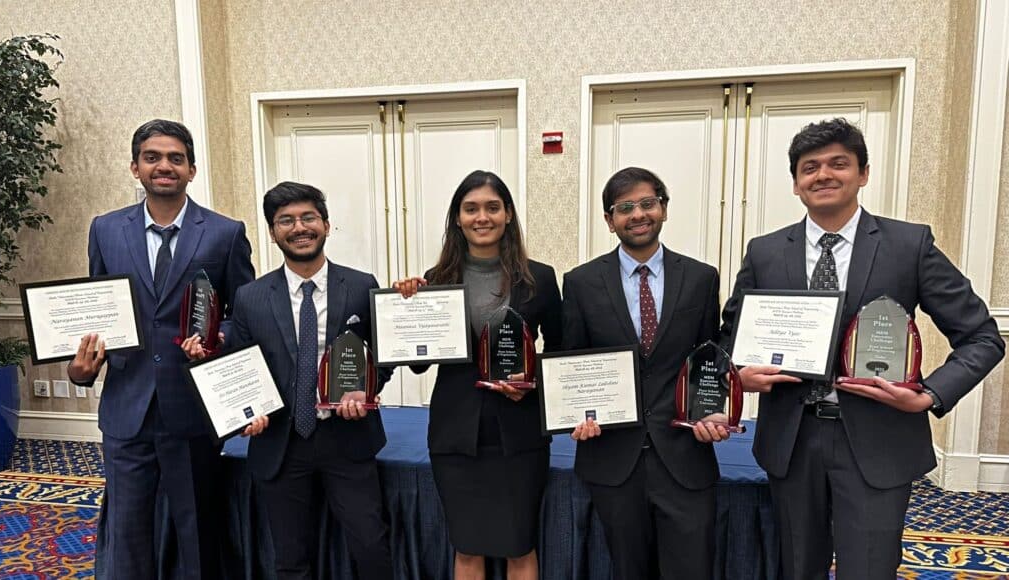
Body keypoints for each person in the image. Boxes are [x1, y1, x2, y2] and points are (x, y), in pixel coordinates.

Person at [719, 118, 1005, 579]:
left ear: (864, 173)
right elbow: (730, 338)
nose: (823, 175)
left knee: (869, 570)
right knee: (797, 567)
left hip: (878, 438)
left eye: (839, 163)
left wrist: (929, 394)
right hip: (791, 441)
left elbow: (982, 337)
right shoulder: (765, 252)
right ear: (796, 183)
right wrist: (738, 375)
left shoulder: (908, 245)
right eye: (810, 167)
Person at [67, 119, 255, 579]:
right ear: (135, 167)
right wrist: (82, 365)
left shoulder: (225, 233)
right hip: (127, 405)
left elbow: (244, 311)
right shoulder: (106, 230)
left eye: (176, 158)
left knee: (197, 529)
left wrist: (218, 337)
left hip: (192, 404)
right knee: (128, 529)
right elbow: (98, 306)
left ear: (192, 170)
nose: (164, 166)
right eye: (153, 157)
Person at [182, 181, 393, 579]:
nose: (299, 227)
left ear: (326, 225)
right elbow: (243, 365)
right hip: (280, 442)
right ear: (273, 231)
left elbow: (382, 357)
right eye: (286, 221)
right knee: (290, 558)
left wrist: (366, 389)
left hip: (347, 440)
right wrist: (248, 411)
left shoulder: (361, 284)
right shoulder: (251, 296)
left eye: (308, 217)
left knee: (371, 547)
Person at [392, 170, 561, 580]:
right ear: (457, 218)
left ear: (507, 216)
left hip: (520, 430)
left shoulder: (540, 277)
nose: (481, 217)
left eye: (492, 207)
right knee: (467, 547)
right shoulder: (433, 281)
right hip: (456, 432)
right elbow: (416, 362)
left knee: (521, 545)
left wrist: (531, 378)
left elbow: (561, 351)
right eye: (471, 209)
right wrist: (406, 308)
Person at [561, 166, 728, 579]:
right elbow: (571, 360)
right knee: (628, 569)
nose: (638, 214)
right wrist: (575, 413)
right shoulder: (580, 283)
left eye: (647, 203)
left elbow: (711, 356)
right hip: (614, 459)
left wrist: (712, 408)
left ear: (664, 209)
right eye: (624, 207)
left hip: (685, 453)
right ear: (609, 220)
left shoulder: (700, 278)